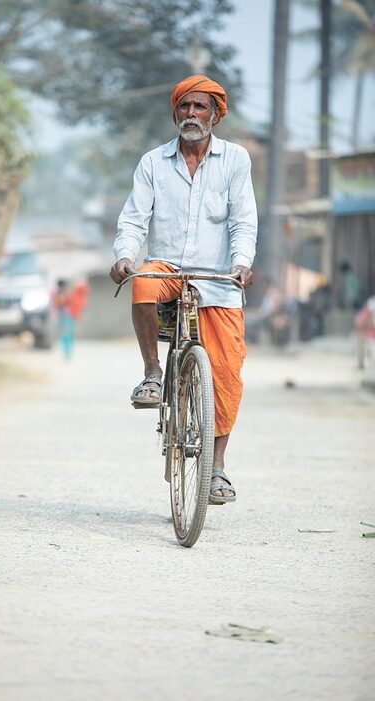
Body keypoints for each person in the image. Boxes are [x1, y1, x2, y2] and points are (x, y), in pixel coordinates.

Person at [110, 74, 257, 505]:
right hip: (171, 267)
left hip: (218, 278)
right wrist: (125, 256)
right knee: (143, 282)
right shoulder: (153, 162)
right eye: (184, 107)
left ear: (215, 114)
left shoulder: (236, 160)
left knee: (227, 374)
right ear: (175, 112)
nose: (191, 114)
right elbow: (134, 218)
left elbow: (243, 220)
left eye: (200, 107)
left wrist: (241, 264)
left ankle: (216, 469)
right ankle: (153, 375)